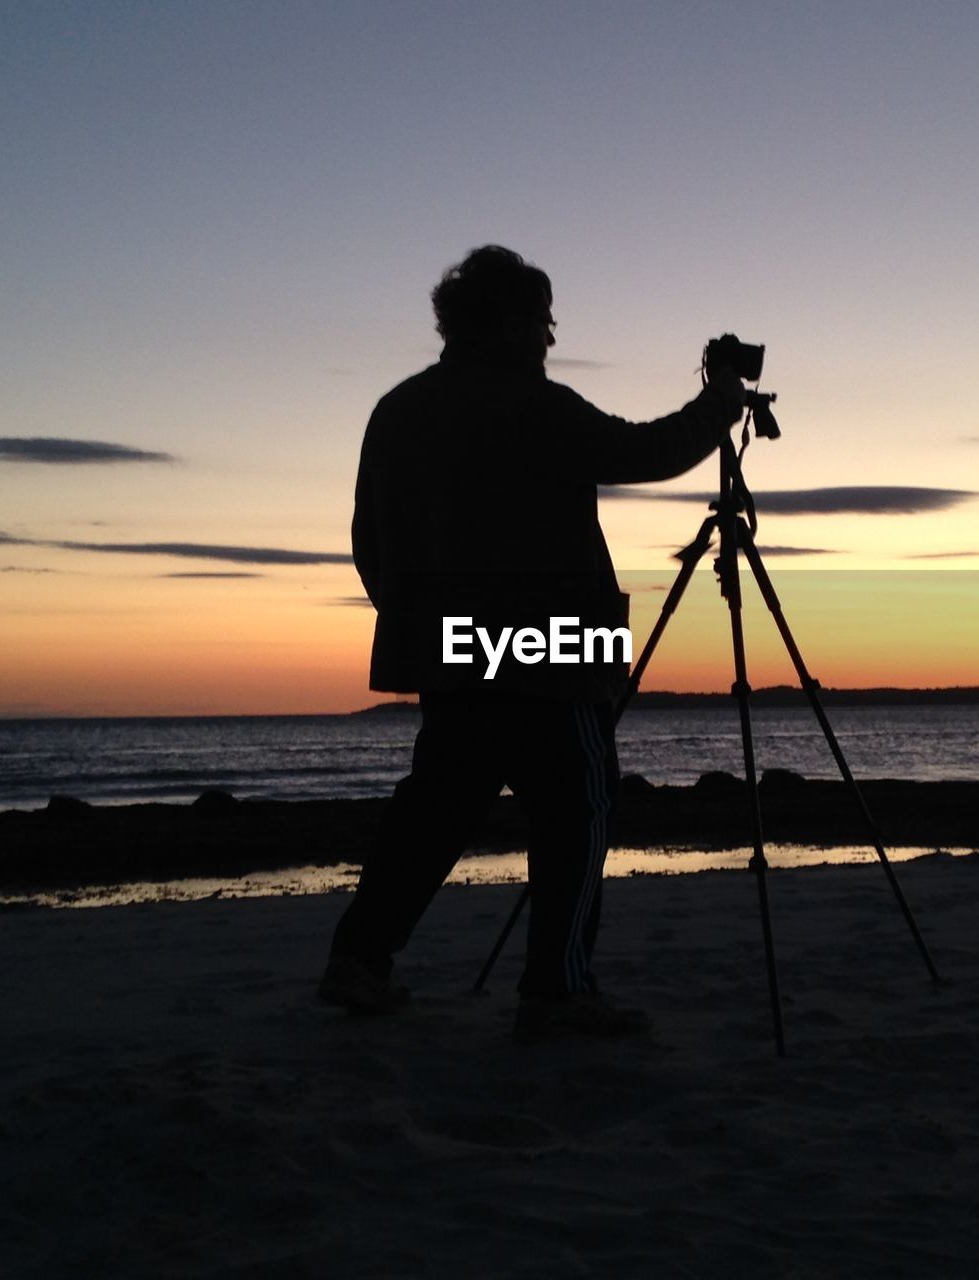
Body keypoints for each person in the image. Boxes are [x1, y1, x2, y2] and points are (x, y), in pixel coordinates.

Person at [319, 245, 744, 1039]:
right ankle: (557, 990)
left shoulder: (399, 409)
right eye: (544, 324)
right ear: (512, 324)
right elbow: (640, 451)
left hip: (450, 647)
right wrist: (720, 405)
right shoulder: (532, 405)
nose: (550, 340)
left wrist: (421, 621)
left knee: (438, 809)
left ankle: (360, 959)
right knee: (577, 807)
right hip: (549, 646)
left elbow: (368, 539)